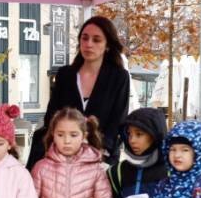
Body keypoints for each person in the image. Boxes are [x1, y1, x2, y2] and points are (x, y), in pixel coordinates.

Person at [26, 16, 129, 170]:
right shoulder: (65, 74)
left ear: (107, 45)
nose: (89, 44)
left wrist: (95, 151)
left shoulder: (119, 77)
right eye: (84, 38)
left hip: (100, 157)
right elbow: (52, 116)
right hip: (61, 155)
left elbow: (117, 122)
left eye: (96, 40)